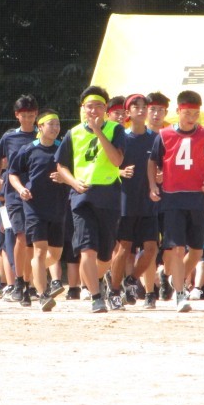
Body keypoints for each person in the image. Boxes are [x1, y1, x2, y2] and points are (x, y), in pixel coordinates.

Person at [148, 90, 204, 313]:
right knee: (178, 248)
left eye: (195, 113)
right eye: (187, 113)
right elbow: (152, 162)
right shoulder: (164, 135)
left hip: (196, 198)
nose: (192, 117)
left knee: (197, 251)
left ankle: (174, 278)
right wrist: (153, 185)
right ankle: (180, 293)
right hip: (172, 198)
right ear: (178, 111)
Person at [55, 86, 125, 313]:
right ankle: (96, 297)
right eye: (89, 106)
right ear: (82, 109)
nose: (93, 110)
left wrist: (98, 132)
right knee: (87, 249)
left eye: (98, 106)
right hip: (82, 198)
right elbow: (61, 165)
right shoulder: (73, 133)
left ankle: (99, 279)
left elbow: (116, 161)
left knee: (105, 255)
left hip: (109, 197)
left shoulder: (115, 129)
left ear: (106, 109)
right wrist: (73, 183)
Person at [8, 109, 68, 312]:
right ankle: (42, 295)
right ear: (40, 127)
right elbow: (13, 174)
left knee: (55, 255)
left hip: (58, 207)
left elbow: (74, 173)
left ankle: (29, 278)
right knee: (39, 251)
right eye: (51, 124)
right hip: (34, 208)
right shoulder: (28, 150)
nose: (55, 128)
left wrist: (64, 179)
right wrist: (20, 189)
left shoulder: (63, 149)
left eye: (57, 124)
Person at [108, 93, 159, 310]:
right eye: (136, 107)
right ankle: (114, 291)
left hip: (149, 201)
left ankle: (131, 280)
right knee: (123, 249)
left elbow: (161, 165)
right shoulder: (122, 137)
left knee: (151, 249)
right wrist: (119, 172)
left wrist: (160, 176)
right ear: (127, 112)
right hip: (125, 201)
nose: (141, 110)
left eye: (144, 106)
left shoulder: (156, 138)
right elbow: (106, 165)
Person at [0, 95, 39, 305]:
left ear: (36, 115)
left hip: (37, 194)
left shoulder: (42, 135)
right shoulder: (8, 138)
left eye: (31, 115)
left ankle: (31, 282)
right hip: (13, 194)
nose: (28, 119)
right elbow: (0, 162)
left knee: (35, 240)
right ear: (17, 116)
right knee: (20, 236)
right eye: (24, 115)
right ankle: (19, 281)